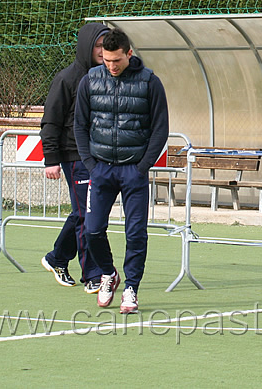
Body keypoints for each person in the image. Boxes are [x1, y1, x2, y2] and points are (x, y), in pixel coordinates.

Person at [74, 28, 169, 314]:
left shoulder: (150, 82)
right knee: (91, 231)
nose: (111, 66)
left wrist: (142, 167)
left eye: (116, 60)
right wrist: (91, 164)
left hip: (134, 172)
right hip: (100, 169)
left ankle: (131, 289)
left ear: (129, 53)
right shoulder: (89, 81)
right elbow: (80, 125)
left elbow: (160, 128)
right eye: (106, 61)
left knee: (136, 233)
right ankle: (108, 274)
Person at [40, 22, 109, 293]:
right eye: (99, 46)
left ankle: (57, 258)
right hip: (73, 156)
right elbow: (50, 122)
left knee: (85, 213)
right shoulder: (66, 79)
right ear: (86, 46)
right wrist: (51, 159)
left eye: (107, 45)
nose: (103, 52)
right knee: (87, 215)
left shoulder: (107, 76)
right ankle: (92, 275)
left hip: (98, 157)